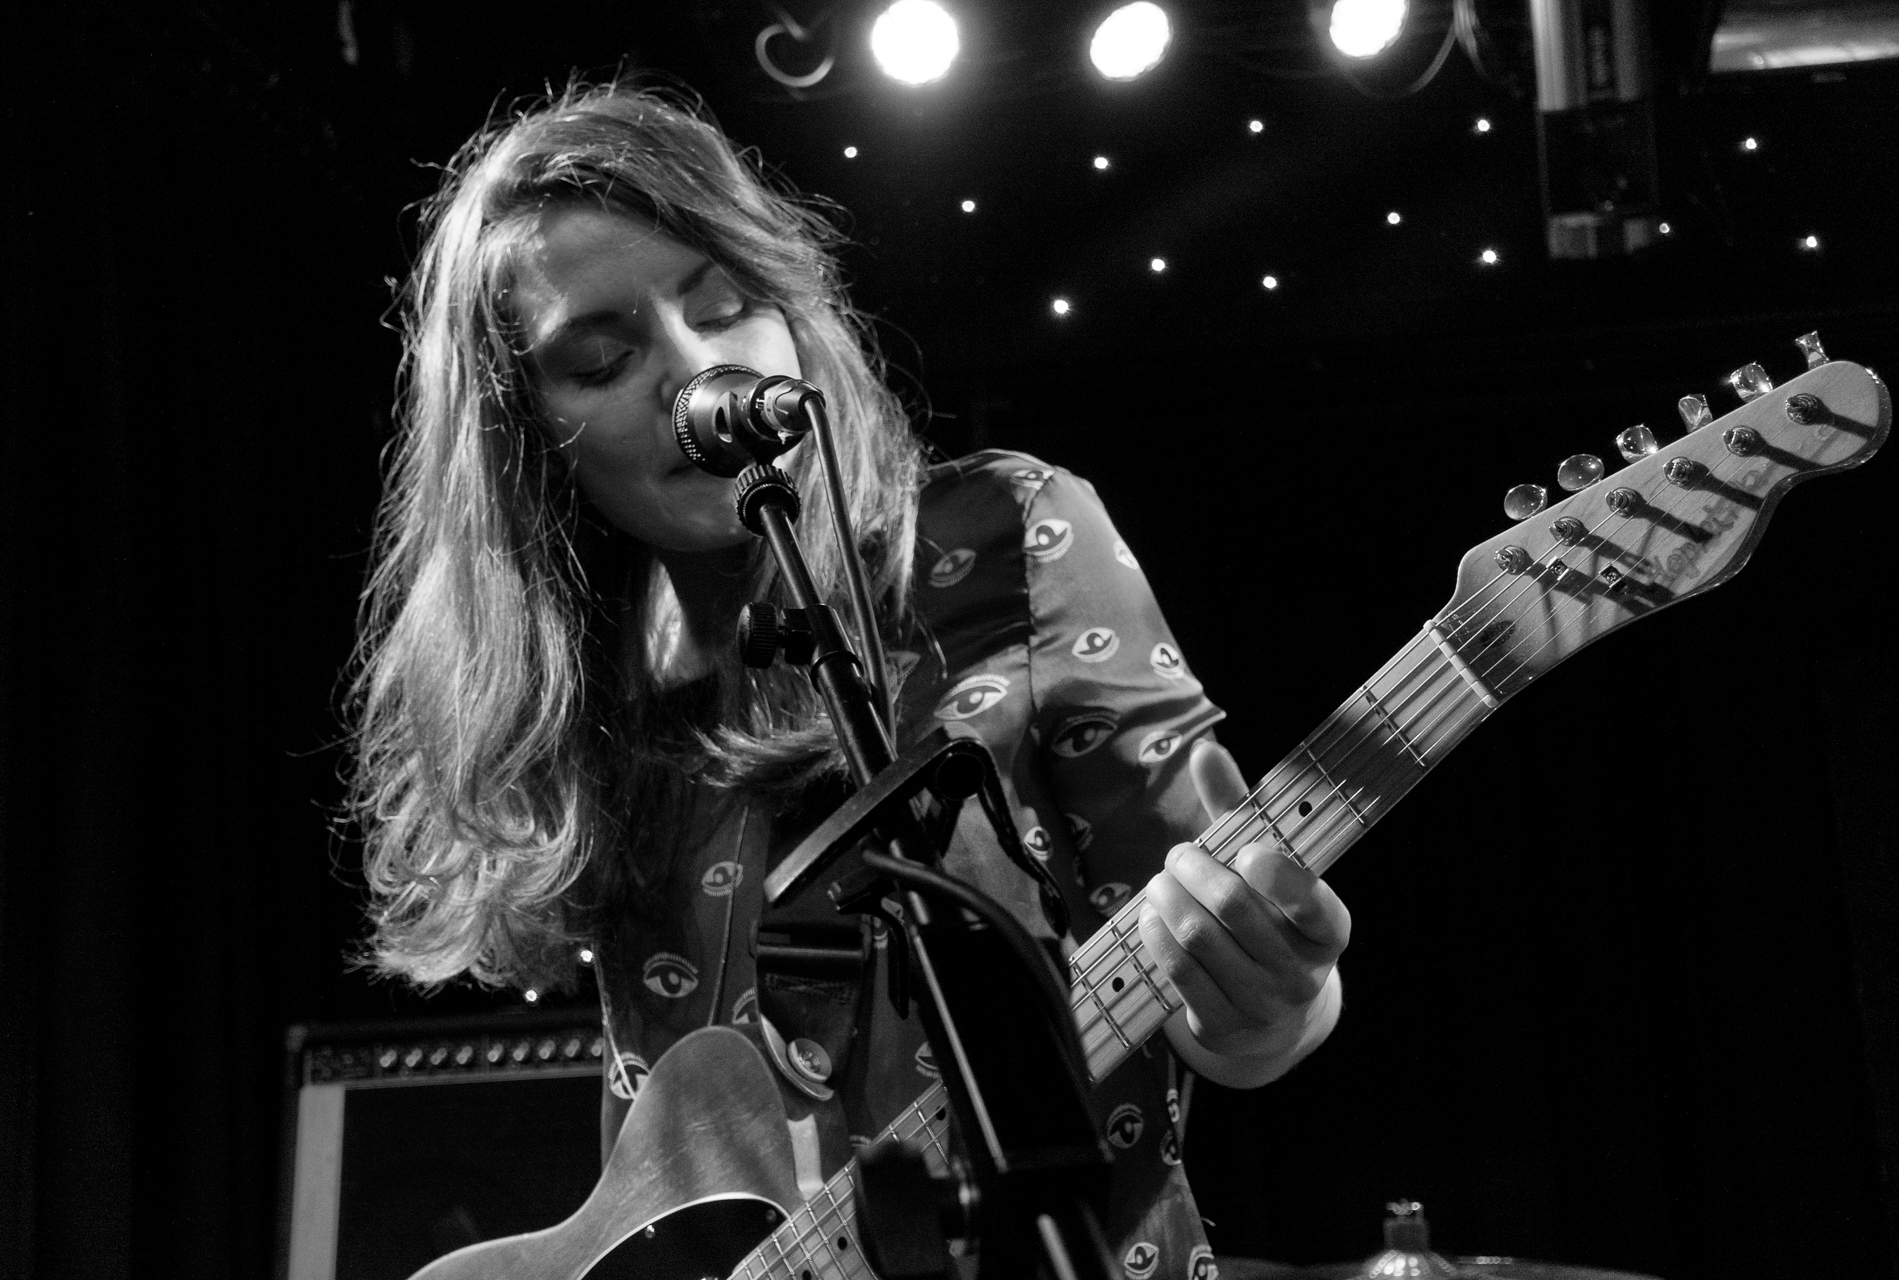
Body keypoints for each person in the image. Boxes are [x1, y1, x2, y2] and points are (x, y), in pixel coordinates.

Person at [350, 78, 1350, 1280]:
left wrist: (1278, 998)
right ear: (527, 441)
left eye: (724, 304)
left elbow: (1212, 945)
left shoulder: (1003, 540)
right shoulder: (587, 678)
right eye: (603, 358)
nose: (692, 373)